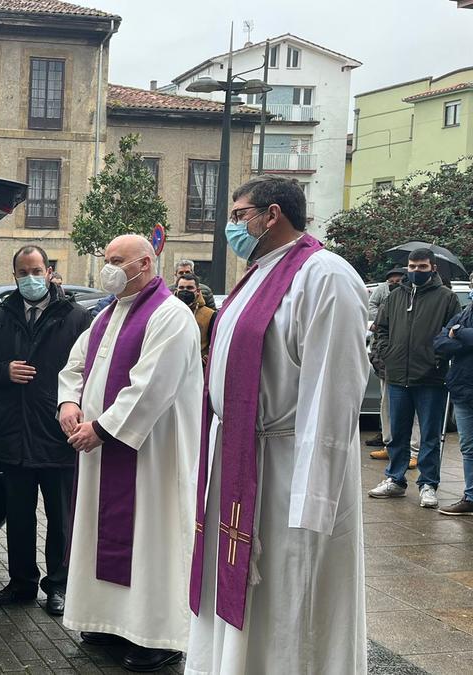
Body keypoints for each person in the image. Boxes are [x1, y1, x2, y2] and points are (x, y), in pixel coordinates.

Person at [186, 176, 368, 674]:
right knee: (241, 596)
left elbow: (334, 391)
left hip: (290, 470)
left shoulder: (324, 275)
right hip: (243, 455)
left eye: (238, 214)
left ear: (272, 214)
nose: (231, 226)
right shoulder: (259, 274)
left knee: (290, 598)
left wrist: (313, 499)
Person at [57, 235, 202, 672]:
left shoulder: (170, 315)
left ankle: (158, 635)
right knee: (102, 536)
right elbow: (75, 365)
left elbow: (152, 385)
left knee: (152, 538)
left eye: (117, 261)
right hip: (102, 448)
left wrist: (102, 428)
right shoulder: (106, 315)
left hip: (153, 453)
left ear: (145, 263)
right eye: (106, 260)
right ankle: (106, 620)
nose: (109, 268)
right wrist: (68, 402)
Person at [0, 245, 92, 616]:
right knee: (20, 517)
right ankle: (21, 582)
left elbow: (90, 371)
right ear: (15, 276)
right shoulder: (1, 317)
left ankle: (59, 586)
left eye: (36, 270)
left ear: (48, 271)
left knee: (60, 518)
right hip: (14, 434)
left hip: (57, 433)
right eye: (23, 272)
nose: (30, 278)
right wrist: (4, 371)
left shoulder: (75, 317)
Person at [369, 248, 462, 508]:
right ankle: (395, 480)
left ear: (433, 268)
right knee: (397, 432)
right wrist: (386, 355)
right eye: (412, 266)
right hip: (398, 375)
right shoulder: (396, 296)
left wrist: (437, 360)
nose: (415, 271)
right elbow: (382, 329)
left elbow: (452, 333)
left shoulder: (447, 298)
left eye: (421, 267)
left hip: (431, 378)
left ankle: (428, 484)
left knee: (430, 436)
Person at [436, 297, 473, 515]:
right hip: (462, 389)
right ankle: (470, 496)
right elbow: (440, 342)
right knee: (468, 447)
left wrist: (457, 333)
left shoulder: (460, 322)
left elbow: (452, 335)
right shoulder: (465, 313)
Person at [367, 267, 407, 450]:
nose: (393, 284)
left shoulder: (407, 298)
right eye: (391, 281)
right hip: (385, 358)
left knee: (403, 406)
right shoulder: (382, 293)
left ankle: (408, 447)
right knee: (386, 401)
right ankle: (387, 439)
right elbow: (372, 310)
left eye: (397, 281)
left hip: (405, 361)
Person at [175, 274, 215, 366]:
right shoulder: (168, 312)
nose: (185, 291)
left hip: (198, 369)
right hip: (174, 367)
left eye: (189, 288)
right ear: (176, 290)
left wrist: (204, 360)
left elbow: (215, 345)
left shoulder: (209, 315)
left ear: (197, 291)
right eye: (181, 287)